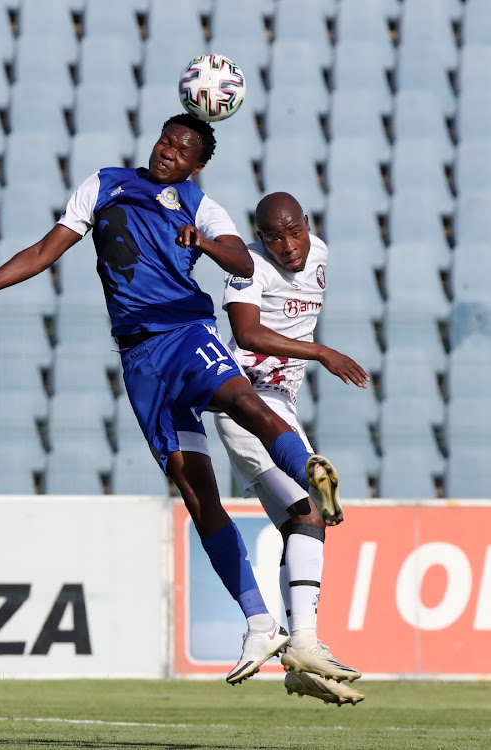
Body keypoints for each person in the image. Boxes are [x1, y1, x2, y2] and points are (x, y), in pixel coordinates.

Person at [0, 114, 341, 685]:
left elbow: (244, 263)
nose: (169, 151)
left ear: (197, 164)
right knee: (197, 493)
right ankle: (260, 623)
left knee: (246, 402)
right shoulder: (104, 184)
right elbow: (45, 251)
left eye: (183, 148)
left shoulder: (200, 204)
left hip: (186, 334)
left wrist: (208, 243)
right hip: (140, 360)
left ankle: (309, 468)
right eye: (166, 141)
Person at [214, 192, 368, 705]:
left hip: (283, 404)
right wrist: (321, 351)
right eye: (274, 238)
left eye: (293, 233)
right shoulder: (248, 268)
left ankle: (300, 652)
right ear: (260, 238)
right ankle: (301, 641)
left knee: (304, 520)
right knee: (308, 509)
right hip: (247, 403)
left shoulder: (319, 254)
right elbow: (247, 332)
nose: (287, 247)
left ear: (308, 225)